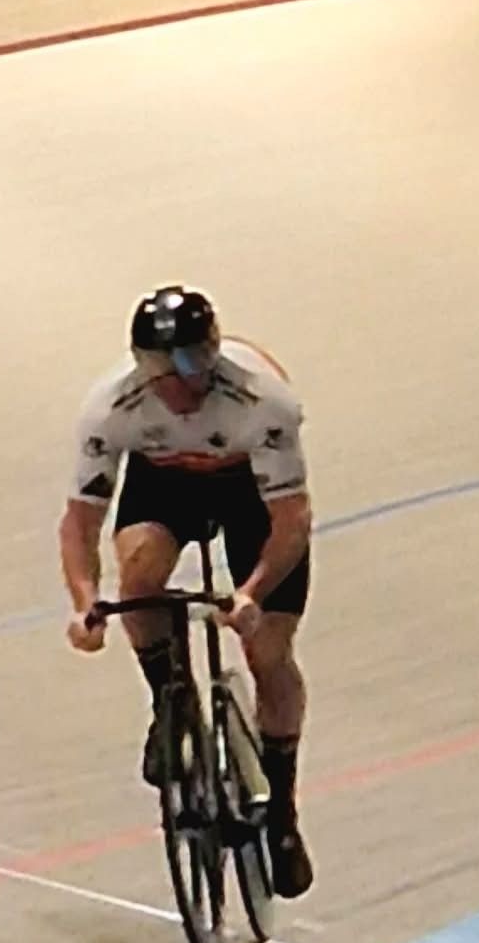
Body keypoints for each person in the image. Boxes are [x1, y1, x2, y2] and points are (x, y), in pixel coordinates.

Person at [57, 284, 315, 899]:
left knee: (268, 652)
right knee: (139, 578)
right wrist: (86, 604)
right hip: (164, 485)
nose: (180, 381)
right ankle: (167, 700)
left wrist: (252, 592)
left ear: (215, 352)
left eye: (194, 361)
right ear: (140, 366)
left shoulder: (263, 400)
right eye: (163, 366)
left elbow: (291, 520)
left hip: (249, 491)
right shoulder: (111, 407)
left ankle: (281, 809)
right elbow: (80, 523)